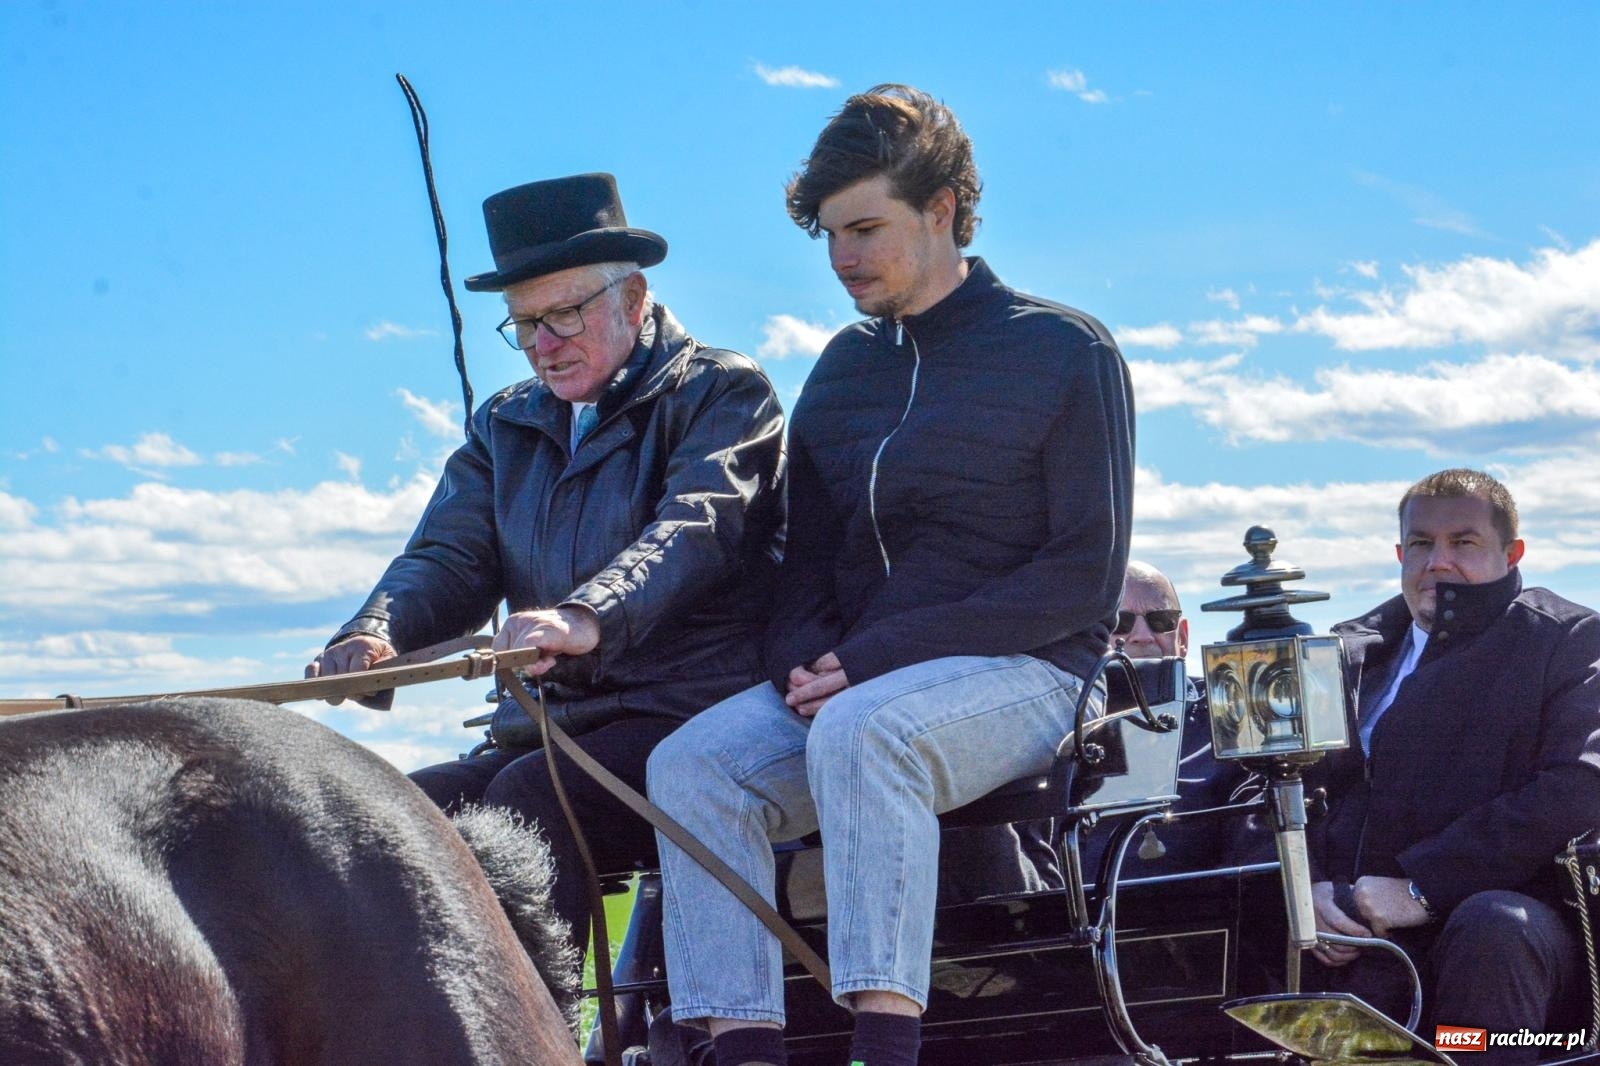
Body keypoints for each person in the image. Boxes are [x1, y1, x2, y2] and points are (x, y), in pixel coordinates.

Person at [646, 85, 1134, 1066]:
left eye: (865, 227)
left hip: (1034, 669)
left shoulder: (1065, 349)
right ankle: (741, 1049)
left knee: (868, 733)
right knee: (690, 768)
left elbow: (1080, 578)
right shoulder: (841, 368)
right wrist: (803, 662)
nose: (842, 258)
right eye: (829, 234)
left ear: (943, 208)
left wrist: (866, 660)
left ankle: (883, 1050)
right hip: (857, 680)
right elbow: (802, 561)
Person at [307, 173, 785, 963]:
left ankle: (548, 1034)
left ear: (633, 300)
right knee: (390, 813)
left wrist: (586, 616)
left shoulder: (722, 394)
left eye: (563, 315)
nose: (542, 345)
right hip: (548, 730)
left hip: (686, 719)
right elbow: (448, 557)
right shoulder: (505, 422)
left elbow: (695, 528)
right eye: (523, 324)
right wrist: (375, 633)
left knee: (525, 803)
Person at [1308, 468, 1599, 1056]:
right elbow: (1260, 787)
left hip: (1512, 935)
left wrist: (1422, 887)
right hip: (1346, 930)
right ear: (1399, 552)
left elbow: (1580, 786)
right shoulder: (1346, 652)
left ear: (1511, 553)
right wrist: (1303, 884)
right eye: (1421, 544)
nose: (1438, 561)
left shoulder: (1567, 640)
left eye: (1463, 542)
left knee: (1494, 928)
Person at [1083, 561, 1259, 878]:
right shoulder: (1060, 728)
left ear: (1183, 637)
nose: (1142, 636)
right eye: (1118, 622)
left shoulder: (1232, 713)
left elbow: (1257, 826)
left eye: (1160, 620)